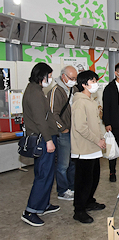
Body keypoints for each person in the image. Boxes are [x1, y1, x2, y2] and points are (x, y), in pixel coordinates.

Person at [21, 62, 60, 227]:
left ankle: (43, 204)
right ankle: (30, 210)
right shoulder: (35, 93)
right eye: (49, 76)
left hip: (45, 137)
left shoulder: (36, 90)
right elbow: (39, 120)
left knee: (47, 173)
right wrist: (49, 140)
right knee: (43, 175)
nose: (50, 79)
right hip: (43, 139)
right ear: (41, 75)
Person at [71, 70, 106, 224]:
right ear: (84, 84)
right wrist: (96, 140)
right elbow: (80, 127)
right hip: (84, 148)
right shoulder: (79, 102)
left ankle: (89, 202)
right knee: (83, 182)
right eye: (92, 81)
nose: (95, 84)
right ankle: (78, 210)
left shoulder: (91, 100)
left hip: (94, 147)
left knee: (94, 178)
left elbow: (95, 123)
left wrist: (101, 138)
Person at [47, 66, 78, 201]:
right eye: (71, 78)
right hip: (63, 133)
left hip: (74, 132)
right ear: (63, 76)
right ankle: (62, 190)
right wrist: (63, 128)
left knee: (73, 162)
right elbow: (53, 114)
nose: (73, 81)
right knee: (63, 164)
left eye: (75, 78)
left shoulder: (75, 89)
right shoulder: (55, 91)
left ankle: (72, 187)